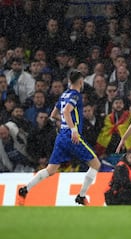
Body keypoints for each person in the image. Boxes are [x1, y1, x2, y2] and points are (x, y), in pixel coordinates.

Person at [18, 70, 101, 206]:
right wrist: (73, 129)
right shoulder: (76, 95)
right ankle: (81, 196)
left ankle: (24, 190)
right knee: (96, 164)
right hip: (71, 136)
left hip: (61, 136)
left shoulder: (64, 94)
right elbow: (66, 111)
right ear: (80, 81)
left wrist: (64, 121)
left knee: (50, 170)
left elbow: (54, 114)